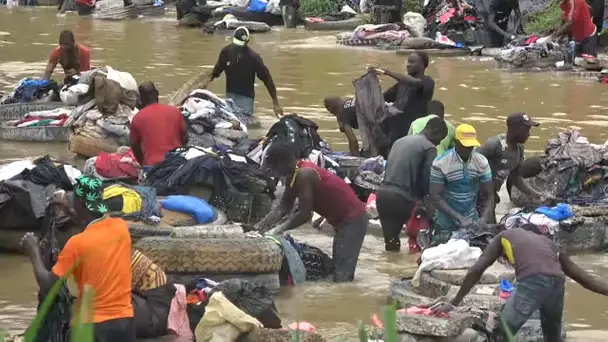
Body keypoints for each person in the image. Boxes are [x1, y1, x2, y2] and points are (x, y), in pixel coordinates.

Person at [429, 223, 608, 341]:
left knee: (502, 334)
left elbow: (477, 268)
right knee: (553, 339)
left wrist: (453, 303)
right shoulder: (549, 244)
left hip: (532, 281)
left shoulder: (504, 236)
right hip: (557, 285)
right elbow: (587, 280)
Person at [21, 175, 135, 341]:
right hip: (124, 323)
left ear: (80, 203)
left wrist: (33, 252)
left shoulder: (77, 244)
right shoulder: (121, 228)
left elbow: (48, 285)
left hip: (92, 328)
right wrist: (75, 213)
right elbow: (94, 223)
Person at [254, 141, 368, 282]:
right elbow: (282, 208)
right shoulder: (293, 176)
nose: (275, 173)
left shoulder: (304, 174)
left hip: (353, 219)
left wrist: (277, 230)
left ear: (285, 162)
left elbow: (304, 214)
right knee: (336, 270)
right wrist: (257, 228)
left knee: (342, 277)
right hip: (341, 221)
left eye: (275, 168)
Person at [377, 117, 448, 252]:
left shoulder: (399, 141)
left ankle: (391, 270)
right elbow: (427, 181)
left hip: (383, 196)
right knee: (419, 244)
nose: (439, 143)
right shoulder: (429, 147)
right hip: (403, 199)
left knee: (391, 245)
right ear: (435, 131)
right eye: (440, 138)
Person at [429, 124, 495, 245]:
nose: (469, 149)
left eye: (471, 146)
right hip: (445, 219)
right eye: (465, 145)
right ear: (456, 143)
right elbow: (435, 196)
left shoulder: (481, 162)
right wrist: (459, 218)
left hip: (470, 216)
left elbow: (489, 195)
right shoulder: (440, 163)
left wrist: (484, 218)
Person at [476, 113, 547, 222]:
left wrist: (535, 194)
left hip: (491, 196)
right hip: (476, 195)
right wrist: (489, 192)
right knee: (483, 228)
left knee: (491, 227)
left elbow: (515, 177)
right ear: (515, 129)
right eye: (526, 129)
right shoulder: (494, 145)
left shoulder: (519, 148)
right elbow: (469, 166)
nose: (529, 134)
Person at [209, 26, 283, 117]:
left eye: (241, 46)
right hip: (230, 97)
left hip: (246, 99)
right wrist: (206, 82)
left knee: (244, 126)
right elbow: (216, 71)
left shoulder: (254, 58)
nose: (239, 50)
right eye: (237, 46)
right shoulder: (226, 52)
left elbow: (267, 79)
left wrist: (276, 103)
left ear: (247, 42)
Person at [374, 51, 435, 148]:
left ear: (423, 65)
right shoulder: (401, 85)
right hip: (396, 131)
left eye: (412, 62)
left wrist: (388, 72)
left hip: (413, 132)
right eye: (408, 62)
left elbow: (415, 83)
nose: (408, 65)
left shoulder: (428, 82)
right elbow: (383, 97)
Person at [130, 81, 188, 170]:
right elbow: (185, 138)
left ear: (140, 99)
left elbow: (135, 146)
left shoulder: (137, 118)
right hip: (177, 162)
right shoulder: (175, 111)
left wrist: (143, 163)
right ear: (157, 94)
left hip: (153, 166)